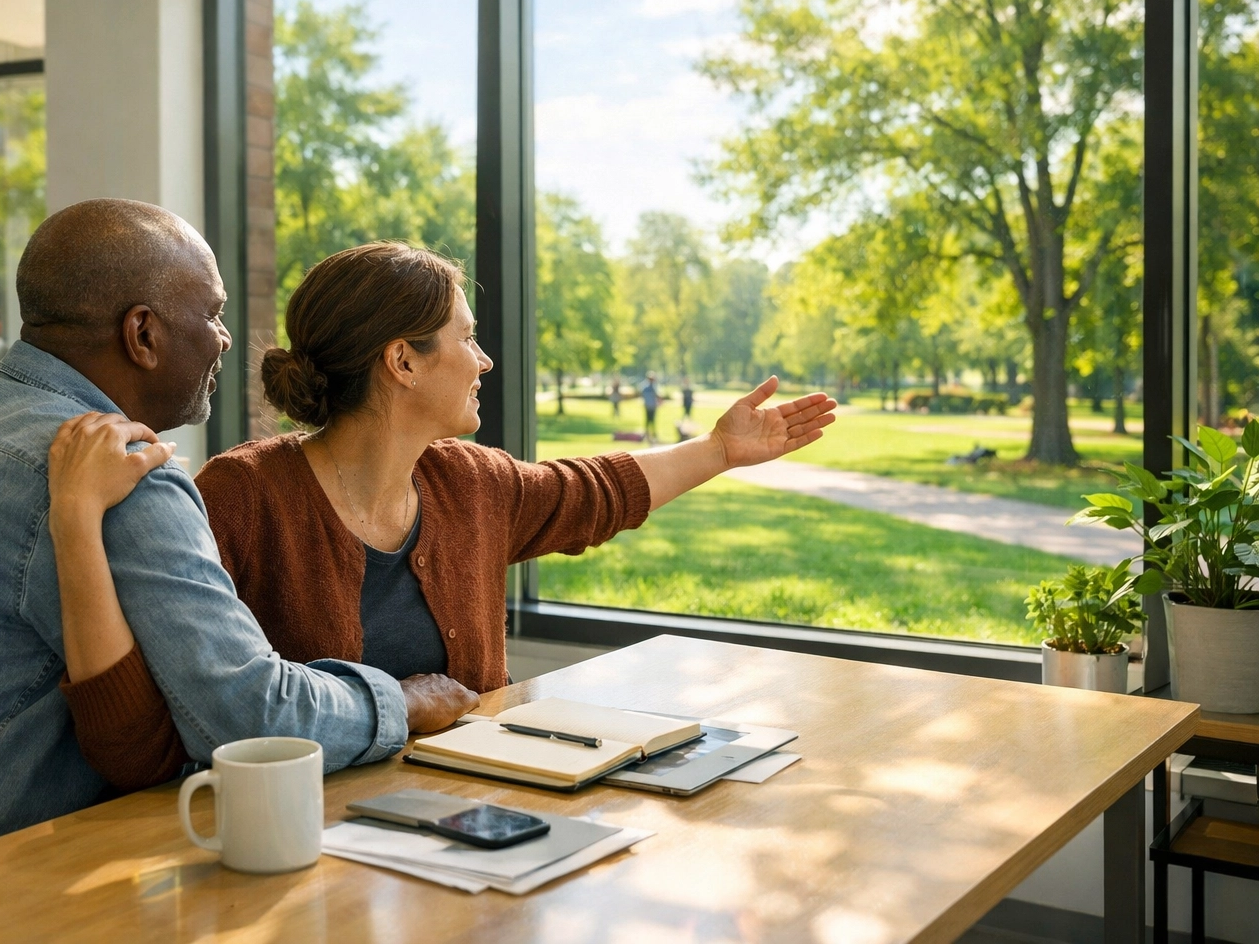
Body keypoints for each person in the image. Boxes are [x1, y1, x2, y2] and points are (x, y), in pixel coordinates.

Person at [0, 201, 476, 908]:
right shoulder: (122, 477)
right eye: (212, 314)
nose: (224, 338)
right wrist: (404, 701)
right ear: (143, 335)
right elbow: (251, 717)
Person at [55, 241, 837, 791]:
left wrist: (720, 450)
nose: (484, 360)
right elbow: (159, 729)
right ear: (402, 361)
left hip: (469, 824)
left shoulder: (469, 482)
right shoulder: (243, 494)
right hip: (311, 850)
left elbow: (592, 492)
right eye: (466, 338)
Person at [640, 372, 660, 443]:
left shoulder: (648, 387)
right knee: (648, 421)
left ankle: (651, 434)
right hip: (649, 406)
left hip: (651, 406)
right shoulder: (648, 387)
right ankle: (648, 434)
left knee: (651, 421)